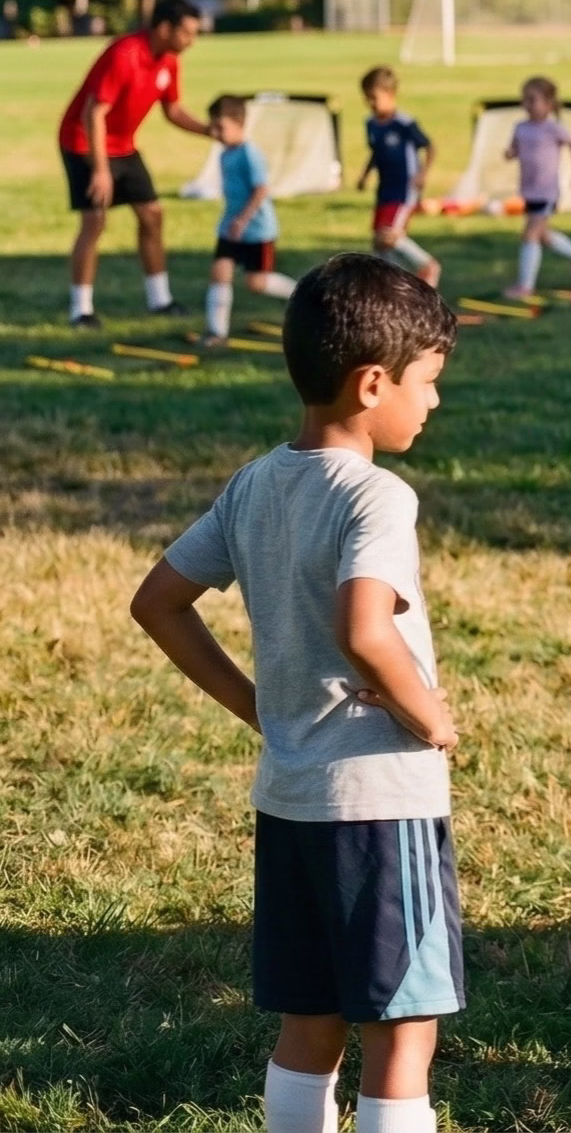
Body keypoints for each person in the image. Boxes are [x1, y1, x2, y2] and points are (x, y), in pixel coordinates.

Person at [129, 255, 463, 1133]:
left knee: (308, 1021)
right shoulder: (379, 496)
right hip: (382, 804)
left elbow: (157, 602)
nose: (432, 403)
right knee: (401, 1025)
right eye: (427, 383)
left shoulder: (255, 482)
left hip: (291, 799)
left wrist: (253, 704)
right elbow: (365, 628)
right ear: (371, 383)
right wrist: (429, 714)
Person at [59, 0, 208, 327]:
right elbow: (93, 113)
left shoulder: (168, 60)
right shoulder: (125, 53)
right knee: (94, 220)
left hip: (123, 146)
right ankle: (80, 310)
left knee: (152, 215)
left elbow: (173, 110)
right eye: (187, 33)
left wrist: (209, 130)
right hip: (83, 141)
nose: (192, 41)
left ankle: (160, 300)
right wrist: (100, 171)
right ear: (165, 28)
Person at [201, 96, 300, 347]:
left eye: (220, 127)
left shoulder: (249, 154)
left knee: (256, 283)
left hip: (256, 230)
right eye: (213, 127)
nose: (216, 133)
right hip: (230, 227)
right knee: (219, 272)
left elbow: (261, 190)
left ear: (239, 123)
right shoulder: (225, 154)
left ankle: (301, 294)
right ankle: (216, 333)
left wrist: (243, 219)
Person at [502, 78, 571, 302]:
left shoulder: (554, 129)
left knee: (529, 235)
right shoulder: (520, 128)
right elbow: (514, 148)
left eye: (533, 99)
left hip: (547, 192)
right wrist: (510, 153)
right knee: (545, 237)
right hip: (528, 191)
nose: (527, 104)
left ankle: (525, 286)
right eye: (525, 99)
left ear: (549, 104)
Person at [355, 68, 439, 289]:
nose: (370, 103)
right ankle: (390, 286)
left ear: (391, 94)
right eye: (367, 98)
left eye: (374, 98)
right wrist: (365, 175)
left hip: (405, 188)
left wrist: (423, 174)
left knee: (390, 235)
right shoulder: (371, 124)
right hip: (385, 188)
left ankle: (428, 265)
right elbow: (376, 152)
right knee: (378, 243)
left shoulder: (404, 123)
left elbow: (430, 147)